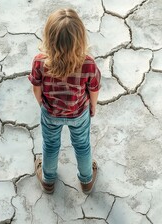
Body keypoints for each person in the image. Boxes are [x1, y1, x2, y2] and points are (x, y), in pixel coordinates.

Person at [28, 8, 101, 194]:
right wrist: (92, 106)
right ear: (81, 37)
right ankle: (86, 180)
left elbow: (36, 87)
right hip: (79, 112)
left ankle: (48, 180)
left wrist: (42, 104)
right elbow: (94, 88)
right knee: (82, 144)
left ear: (49, 38)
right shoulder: (88, 63)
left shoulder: (39, 62)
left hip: (51, 112)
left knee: (51, 145)